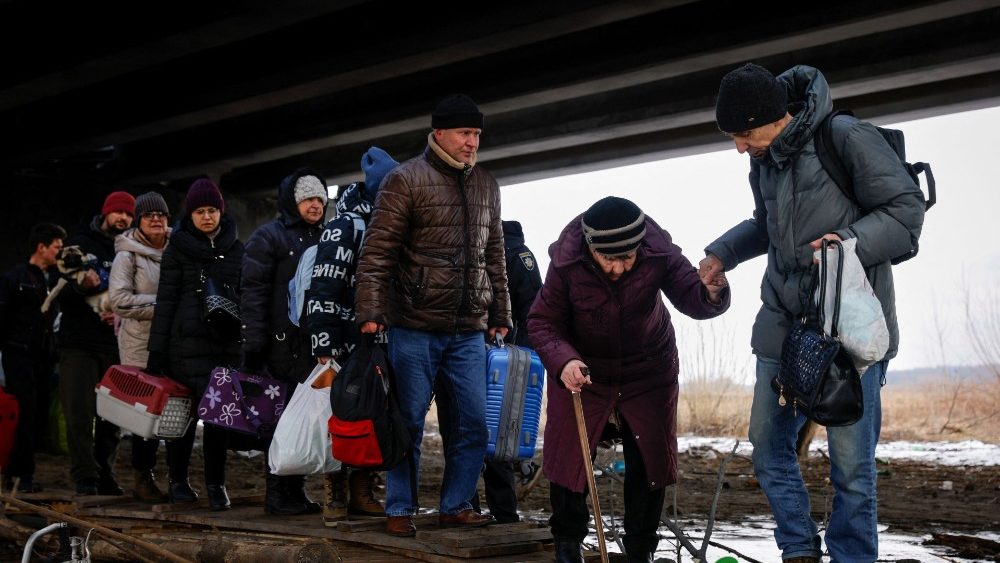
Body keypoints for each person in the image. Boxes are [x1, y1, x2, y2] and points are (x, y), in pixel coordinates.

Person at [699, 63, 925, 563]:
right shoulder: (764, 160)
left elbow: (906, 213)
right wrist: (723, 253)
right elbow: (767, 225)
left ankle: (852, 557)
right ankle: (799, 549)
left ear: (774, 117)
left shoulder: (843, 137)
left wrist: (847, 242)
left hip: (849, 332)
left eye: (743, 134)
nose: (739, 146)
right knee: (767, 445)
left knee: (852, 470)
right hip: (783, 326)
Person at [528, 196, 729, 563]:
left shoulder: (658, 251)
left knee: (649, 460)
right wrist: (564, 361)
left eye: (627, 259)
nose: (619, 268)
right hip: (582, 370)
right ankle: (568, 546)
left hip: (648, 369)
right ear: (592, 249)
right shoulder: (566, 261)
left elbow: (692, 297)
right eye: (610, 260)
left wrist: (711, 291)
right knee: (569, 456)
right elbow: (542, 322)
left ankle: (641, 551)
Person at [355, 93, 512, 537]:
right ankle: (401, 508)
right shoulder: (405, 180)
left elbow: (494, 254)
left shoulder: (487, 184)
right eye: (465, 133)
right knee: (406, 422)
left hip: (469, 330)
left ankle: (456, 504)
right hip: (413, 327)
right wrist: (370, 309)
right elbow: (378, 251)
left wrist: (500, 310)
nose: (472, 143)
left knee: (474, 423)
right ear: (439, 133)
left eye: (477, 134)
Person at [305, 147, 398, 526]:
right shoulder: (345, 225)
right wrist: (324, 342)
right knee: (339, 412)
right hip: (345, 337)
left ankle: (364, 488)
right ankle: (335, 492)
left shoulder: (394, 222)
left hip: (383, 338)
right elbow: (323, 285)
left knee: (373, 413)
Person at [436, 219, 543, 524]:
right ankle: (467, 507)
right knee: (468, 432)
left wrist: (520, 356)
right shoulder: (463, 250)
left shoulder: (516, 254)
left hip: (498, 363)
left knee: (494, 435)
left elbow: (534, 309)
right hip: (463, 355)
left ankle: (501, 512)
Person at [146, 179, 244, 510]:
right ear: (191, 214)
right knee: (181, 420)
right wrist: (156, 351)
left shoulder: (237, 249)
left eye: (212, 210)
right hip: (183, 349)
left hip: (224, 347)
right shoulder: (177, 250)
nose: (206, 217)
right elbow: (166, 301)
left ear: (221, 212)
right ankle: (179, 483)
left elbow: (248, 296)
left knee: (219, 420)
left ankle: (217, 485)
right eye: (200, 211)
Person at [242, 167, 328, 515]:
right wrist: (253, 342)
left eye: (320, 199)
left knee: (305, 418)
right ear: (293, 202)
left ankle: (296, 490)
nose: (315, 205)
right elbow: (253, 292)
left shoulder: (326, 237)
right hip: (279, 342)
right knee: (279, 418)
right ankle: (276, 493)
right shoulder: (269, 237)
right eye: (308, 198)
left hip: (311, 343)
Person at [59, 191, 134, 496]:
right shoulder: (80, 245)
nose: (124, 219)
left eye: (129, 215)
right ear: (106, 213)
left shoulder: (132, 250)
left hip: (116, 345)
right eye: (119, 213)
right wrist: (80, 287)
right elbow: (59, 294)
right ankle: (85, 476)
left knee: (113, 416)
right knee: (79, 412)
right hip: (78, 343)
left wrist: (120, 314)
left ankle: (105, 473)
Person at [108, 192, 172, 503]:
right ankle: (142, 477)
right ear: (139, 221)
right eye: (149, 216)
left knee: (174, 412)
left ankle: (177, 478)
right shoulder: (127, 255)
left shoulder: (180, 248)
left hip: (174, 343)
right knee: (144, 417)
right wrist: (164, 306)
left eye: (161, 214)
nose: (156, 220)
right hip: (139, 345)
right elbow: (119, 302)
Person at [0, 223, 66, 493]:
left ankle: (23, 472)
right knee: (23, 414)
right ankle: (19, 474)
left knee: (37, 414)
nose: (60, 254)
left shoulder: (56, 278)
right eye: (56, 248)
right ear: (42, 247)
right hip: (19, 354)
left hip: (44, 355)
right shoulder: (15, 278)